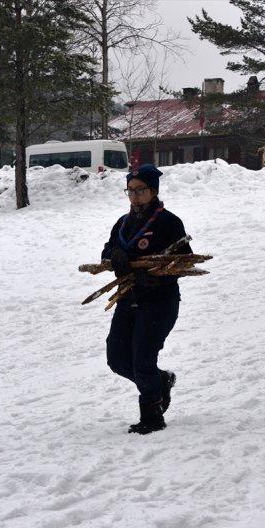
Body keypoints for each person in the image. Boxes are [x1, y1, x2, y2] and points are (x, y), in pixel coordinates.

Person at [102, 163, 193, 435]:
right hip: (128, 298)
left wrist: (157, 278)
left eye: (140, 190)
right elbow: (107, 252)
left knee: (142, 358)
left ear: (153, 191)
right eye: (130, 191)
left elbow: (184, 262)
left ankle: (152, 415)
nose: (134, 196)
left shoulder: (168, 222)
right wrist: (113, 255)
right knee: (117, 358)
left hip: (159, 301)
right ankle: (160, 381)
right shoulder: (123, 223)